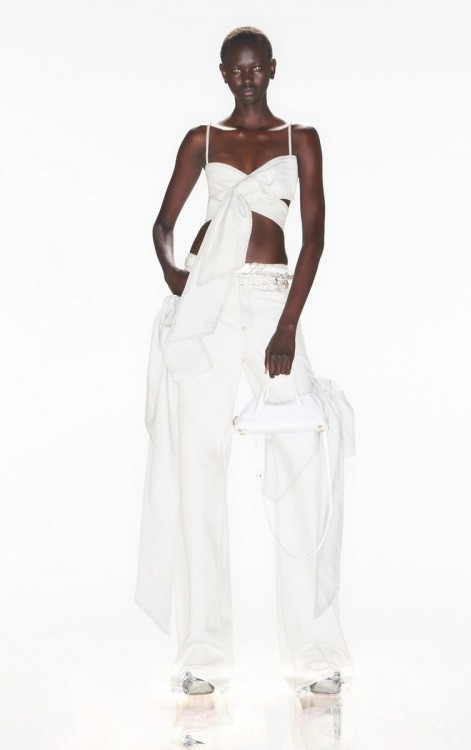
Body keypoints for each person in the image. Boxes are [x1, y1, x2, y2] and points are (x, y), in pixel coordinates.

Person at [134, 26, 355, 696]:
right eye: (236, 69)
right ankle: (203, 656)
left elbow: (314, 239)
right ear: (224, 74)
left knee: (300, 465)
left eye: (256, 67)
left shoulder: (299, 139)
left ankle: (314, 655)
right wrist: (175, 274)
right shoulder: (202, 139)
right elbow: (162, 225)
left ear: (273, 69)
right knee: (198, 467)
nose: (247, 77)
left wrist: (286, 326)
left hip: (270, 301)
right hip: (207, 304)